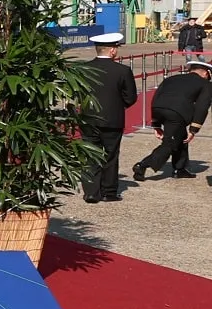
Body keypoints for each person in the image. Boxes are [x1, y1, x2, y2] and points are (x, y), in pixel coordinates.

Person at [80, 32, 137, 202]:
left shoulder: (83, 69)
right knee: (110, 156)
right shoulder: (123, 70)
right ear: (112, 50)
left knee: (90, 155)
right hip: (113, 119)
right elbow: (131, 97)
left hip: (88, 118)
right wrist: (118, 106)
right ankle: (109, 192)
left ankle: (91, 192)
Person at [134, 57, 211, 181]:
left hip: (159, 108)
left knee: (180, 137)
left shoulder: (171, 78)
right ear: (206, 73)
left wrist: (156, 124)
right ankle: (142, 165)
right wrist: (194, 130)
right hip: (176, 113)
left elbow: (156, 97)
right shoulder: (205, 84)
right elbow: (202, 107)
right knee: (169, 144)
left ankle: (180, 168)